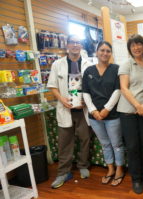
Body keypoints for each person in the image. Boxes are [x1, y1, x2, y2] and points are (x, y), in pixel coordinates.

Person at [47, 35, 91, 189]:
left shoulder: (88, 63)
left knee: (84, 139)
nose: (75, 45)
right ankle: (63, 172)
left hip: (82, 108)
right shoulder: (57, 64)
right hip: (65, 108)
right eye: (72, 42)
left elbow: (91, 86)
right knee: (65, 142)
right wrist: (61, 99)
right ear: (67, 45)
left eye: (78, 42)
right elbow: (52, 85)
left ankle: (83, 165)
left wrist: (86, 100)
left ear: (81, 46)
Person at [82, 41, 125, 186]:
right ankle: (110, 169)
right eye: (102, 50)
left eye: (108, 51)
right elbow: (85, 92)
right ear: (96, 52)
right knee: (105, 144)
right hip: (95, 117)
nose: (105, 53)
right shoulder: (88, 71)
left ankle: (119, 169)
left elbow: (118, 90)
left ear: (110, 53)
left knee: (117, 144)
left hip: (112, 115)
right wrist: (93, 111)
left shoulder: (116, 69)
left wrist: (107, 109)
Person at [117, 34, 143, 194]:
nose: (136, 47)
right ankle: (136, 178)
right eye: (133, 45)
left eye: (139, 44)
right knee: (132, 146)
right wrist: (137, 105)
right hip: (128, 112)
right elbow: (124, 88)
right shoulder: (126, 65)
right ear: (129, 48)